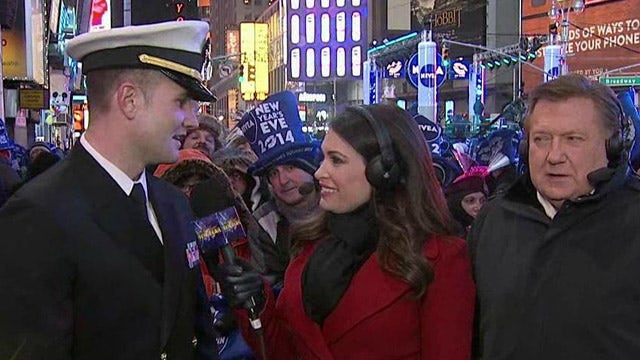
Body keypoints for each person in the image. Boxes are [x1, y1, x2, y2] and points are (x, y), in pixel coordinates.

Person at [0, 21, 219, 359]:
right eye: (182, 101)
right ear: (129, 100)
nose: (192, 120)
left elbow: (195, 336)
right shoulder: (38, 216)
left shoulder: (173, 204)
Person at [216, 104, 476, 359]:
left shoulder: (442, 258)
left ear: (384, 171)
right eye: (323, 158)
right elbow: (285, 349)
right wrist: (259, 305)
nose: (319, 172)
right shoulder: (310, 243)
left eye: (336, 161)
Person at [470, 74, 640, 359]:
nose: (554, 156)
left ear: (613, 147)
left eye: (573, 139)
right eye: (541, 139)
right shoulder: (495, 220)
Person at [234, 91, 323, 288]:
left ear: (309, 166)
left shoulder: (338, 202)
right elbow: (268, 286)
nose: (283, 180)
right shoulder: (264, 222)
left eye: (290, 167)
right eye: (273, 173)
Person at [445, 167, 488, 237]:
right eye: (471, 201)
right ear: (457, 204)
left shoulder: (491, 227)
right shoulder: (449, 235)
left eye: (482, 201)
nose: (479, 207)